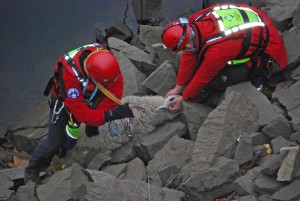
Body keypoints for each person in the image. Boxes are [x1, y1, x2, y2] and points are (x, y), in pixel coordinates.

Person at [24, 43, 134, 183]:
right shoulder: (70, 73)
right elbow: (80, 112)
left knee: (79, 131)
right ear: (93, 76)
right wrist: (108, 115)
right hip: (64, 102)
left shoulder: (106, 64)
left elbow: (114, 90)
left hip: (91, 98)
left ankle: (64, 148)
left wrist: (103, 113)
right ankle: (32, 170)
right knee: (53, 141)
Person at [161, 3, 288, 111]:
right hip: (256, 18)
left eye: (182, 49)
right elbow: (190, 55)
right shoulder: (195, 20)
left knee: (213, 82)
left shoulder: (218, 49)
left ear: (187, 44)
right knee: (199, 58)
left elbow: (203, 77)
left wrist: (184, 98)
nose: (183, 52)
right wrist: (179, 87)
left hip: (269, 50)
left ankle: (258, 79)